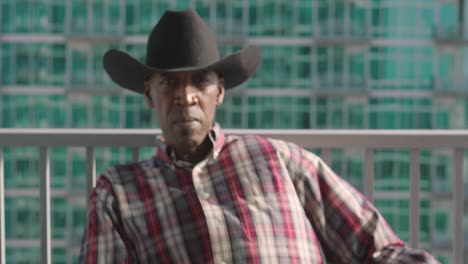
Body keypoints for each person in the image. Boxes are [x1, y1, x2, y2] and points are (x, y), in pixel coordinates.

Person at [79, 9, 439, 263]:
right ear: (149, 94)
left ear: (218, 92)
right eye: (170, 82)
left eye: (200, 81)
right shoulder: (120, 192)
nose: (185, 96)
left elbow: (376, 248)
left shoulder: (278, 159)